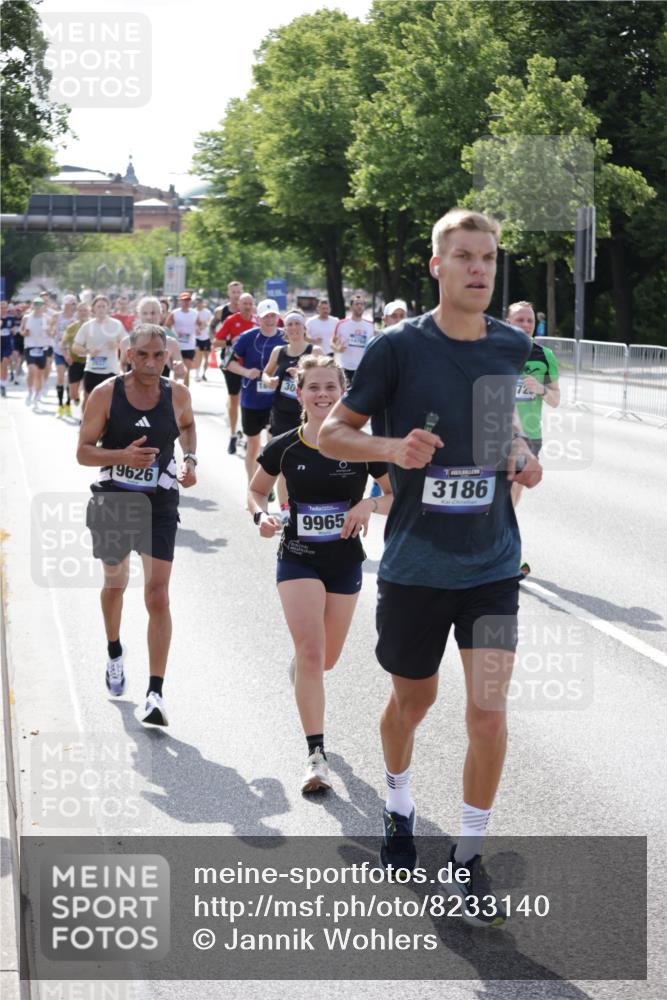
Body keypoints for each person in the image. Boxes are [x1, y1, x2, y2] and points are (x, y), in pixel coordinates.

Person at [319, 208, 542, 925]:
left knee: (487, 711)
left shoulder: (511, 347)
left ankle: (467, 859)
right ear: (436, 266)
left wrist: (520, 455)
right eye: (464, 256)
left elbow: (499, 426)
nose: (478, 268)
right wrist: (389, 452)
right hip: (416, 565)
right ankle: (397, 801)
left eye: (487, 258)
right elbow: (331, 433)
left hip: (491, 564)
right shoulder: (396, 349)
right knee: (413, 704)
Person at [249, 355, 392, 792]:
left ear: (342, 393)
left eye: (331, 387)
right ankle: (316, 756)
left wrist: (369, 504)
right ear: (300, 394)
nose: (322, 394)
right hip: (297, 556)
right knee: (312, 653)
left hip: (345, 560)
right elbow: (256, 490)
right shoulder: (286, 445)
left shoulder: (361, 445)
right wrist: (263, 517)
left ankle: (302, 667)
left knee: (324, 659)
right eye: (314, 387)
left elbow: (395, 496)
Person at [77, 323, 197, 726]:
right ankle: (114, 650)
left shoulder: (177, 393)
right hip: (113, 499)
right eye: (142, 354)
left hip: (160, 503)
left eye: (158, 355)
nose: (150, 362)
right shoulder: (105, 393)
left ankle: (155, 693)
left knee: (158, 595)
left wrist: (191, 460)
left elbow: (188, 426)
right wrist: (123, 456)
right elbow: (83, 453)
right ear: (129, 354)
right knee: (115, 585)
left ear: (168, 356)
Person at [506, 301, 560, 576]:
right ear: (508, 322)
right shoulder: (494, 351)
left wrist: (540, 389)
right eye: (519, 320)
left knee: (512, 494)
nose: (525, 325)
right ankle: (505, 555)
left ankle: (507, 555)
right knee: (499, 497)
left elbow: (556, 399)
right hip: (495, 432)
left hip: (530, 436)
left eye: (529, 320)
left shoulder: (544, 355)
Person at [262, 310, 322, 521]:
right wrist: (268, 380)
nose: (294, 328)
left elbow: (325, 376)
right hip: (281, 413)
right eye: (290, 325)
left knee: (311, 463)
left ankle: (310, 506)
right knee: (282, 465)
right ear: (285, 329)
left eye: (297, 324)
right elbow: (266, 372)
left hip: (307, 414)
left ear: (304, 327)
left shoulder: (313, 350)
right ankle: (286, 510)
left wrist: (302, 376)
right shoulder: (279, 351)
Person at [226, 299, 284, 485]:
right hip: (251, 400)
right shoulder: (247, 337)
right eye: (265, 317)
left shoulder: (285, 338)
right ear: (258, 318)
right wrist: (246, 372)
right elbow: (227, 363)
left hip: (277, 402)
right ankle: (253, 487)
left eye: (273, 316)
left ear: (278, 317)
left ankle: (267, 485)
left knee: (272, 444)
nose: (269, 320)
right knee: (253, 447)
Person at [213, 293, 256, 454]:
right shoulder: (231, 320)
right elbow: (216, 342)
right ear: (238, 305)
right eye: (244, 303)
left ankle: (247, 435)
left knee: (248, 400)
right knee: (234, 398)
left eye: (250, 303)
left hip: (251, 367)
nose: (247, 306)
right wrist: (232, 341)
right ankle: (232, 435)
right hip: (232, 364)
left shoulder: (258, 321)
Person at [73, 295, 125, 410]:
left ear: (108, 308)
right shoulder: (87, 326)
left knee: (110, 402)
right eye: (98, 306)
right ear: (93, 308)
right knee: (88, 400)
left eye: (103, 306)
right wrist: (88, 351)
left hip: (111, 369)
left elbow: (127, 343)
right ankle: (84, 423)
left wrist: (117, 345)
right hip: (92, 369)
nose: (101, 309)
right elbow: (75, 347)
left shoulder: (116, 324)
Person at [119, 297, 186, 380]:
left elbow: (181, 375)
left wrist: (180, 370)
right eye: (145, 313)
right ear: (138, 315)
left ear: (160, 315)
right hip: (131, 392)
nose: (149, 317)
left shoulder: (171, 343)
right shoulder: (127, 342)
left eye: (153, 313)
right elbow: (123, 365)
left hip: (160, 392)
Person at [330, 293, 375, 385]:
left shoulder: (370, 325)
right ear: (351, 307)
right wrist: (337, 349)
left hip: (363, 368)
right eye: (357, 304)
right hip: (345, 367)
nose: (359, 306)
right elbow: (332, 343)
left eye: (362, 304)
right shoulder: (341, 324)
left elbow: (373, 346)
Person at [21, 297, 53, 409]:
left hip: (42, 348)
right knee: (31, 371)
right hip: (30, 347)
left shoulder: (47, 319)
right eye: (36, 304)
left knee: (39, 374)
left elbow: (52, 333)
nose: (38, 306)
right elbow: (21, 331)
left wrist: (49, 331)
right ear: (32, 305)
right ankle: (30, 391)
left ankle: (36, 395)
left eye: (40, 304)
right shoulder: (26, 318)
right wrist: (24, 333)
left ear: (43, 306)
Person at [61, 302, 91, 419]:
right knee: (73, 393)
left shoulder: (95, 325)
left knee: (87, 391)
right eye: (81, 310)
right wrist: (66, 356)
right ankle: (76, 398)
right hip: (75, 361)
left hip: (90, 362)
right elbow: (62, 345)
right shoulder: (71, 327)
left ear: (89, 311)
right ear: (77, 313)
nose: (83, 313)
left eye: (85, 310)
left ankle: (85, 413)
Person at [50, 294, 77, 417]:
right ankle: (60, 405)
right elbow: (51, 330)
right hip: (59, 351)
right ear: (65, 304)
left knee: (70, 380)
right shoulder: (57, 316)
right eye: (70, 304)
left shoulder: (76, 318)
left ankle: (68, 404)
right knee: (61, 378)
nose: (72, 306)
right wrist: (53, 332)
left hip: (72, 353)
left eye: (73, 304)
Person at [166, 292, 198, 385]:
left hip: (190, 345)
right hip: (177, 346)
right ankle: (174, 392)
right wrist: (175, 334)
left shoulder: (195, 313)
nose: (186, 302)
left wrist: (198, 329)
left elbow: (200, 324)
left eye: (187, 300)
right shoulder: (175, 313)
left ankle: (185, 394)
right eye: (184, 300)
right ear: (180, 301)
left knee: (186, 371)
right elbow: (167, 327)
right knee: (177, 371)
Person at [1, 300, 19, 397]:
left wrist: (13, 330)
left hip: (7, 344)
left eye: (5, 307)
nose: (3, 309)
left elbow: (15, 331)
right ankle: (1, 382)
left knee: (5, 364)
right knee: (0, 366)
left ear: (7, 308)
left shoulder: (11, 318)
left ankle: (3, 385)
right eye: (1, 308)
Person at [193, 295, 213, 381]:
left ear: (202, 303)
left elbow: (210, 324)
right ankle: (197, 374)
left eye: (200, 302)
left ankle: (204, 374)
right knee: (198, 356)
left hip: (206, 337)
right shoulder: (193, 312)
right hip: (197, 338)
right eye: (197, 302)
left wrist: (205, 325)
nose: (198, 304)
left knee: (206, 357)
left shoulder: (207, 312)